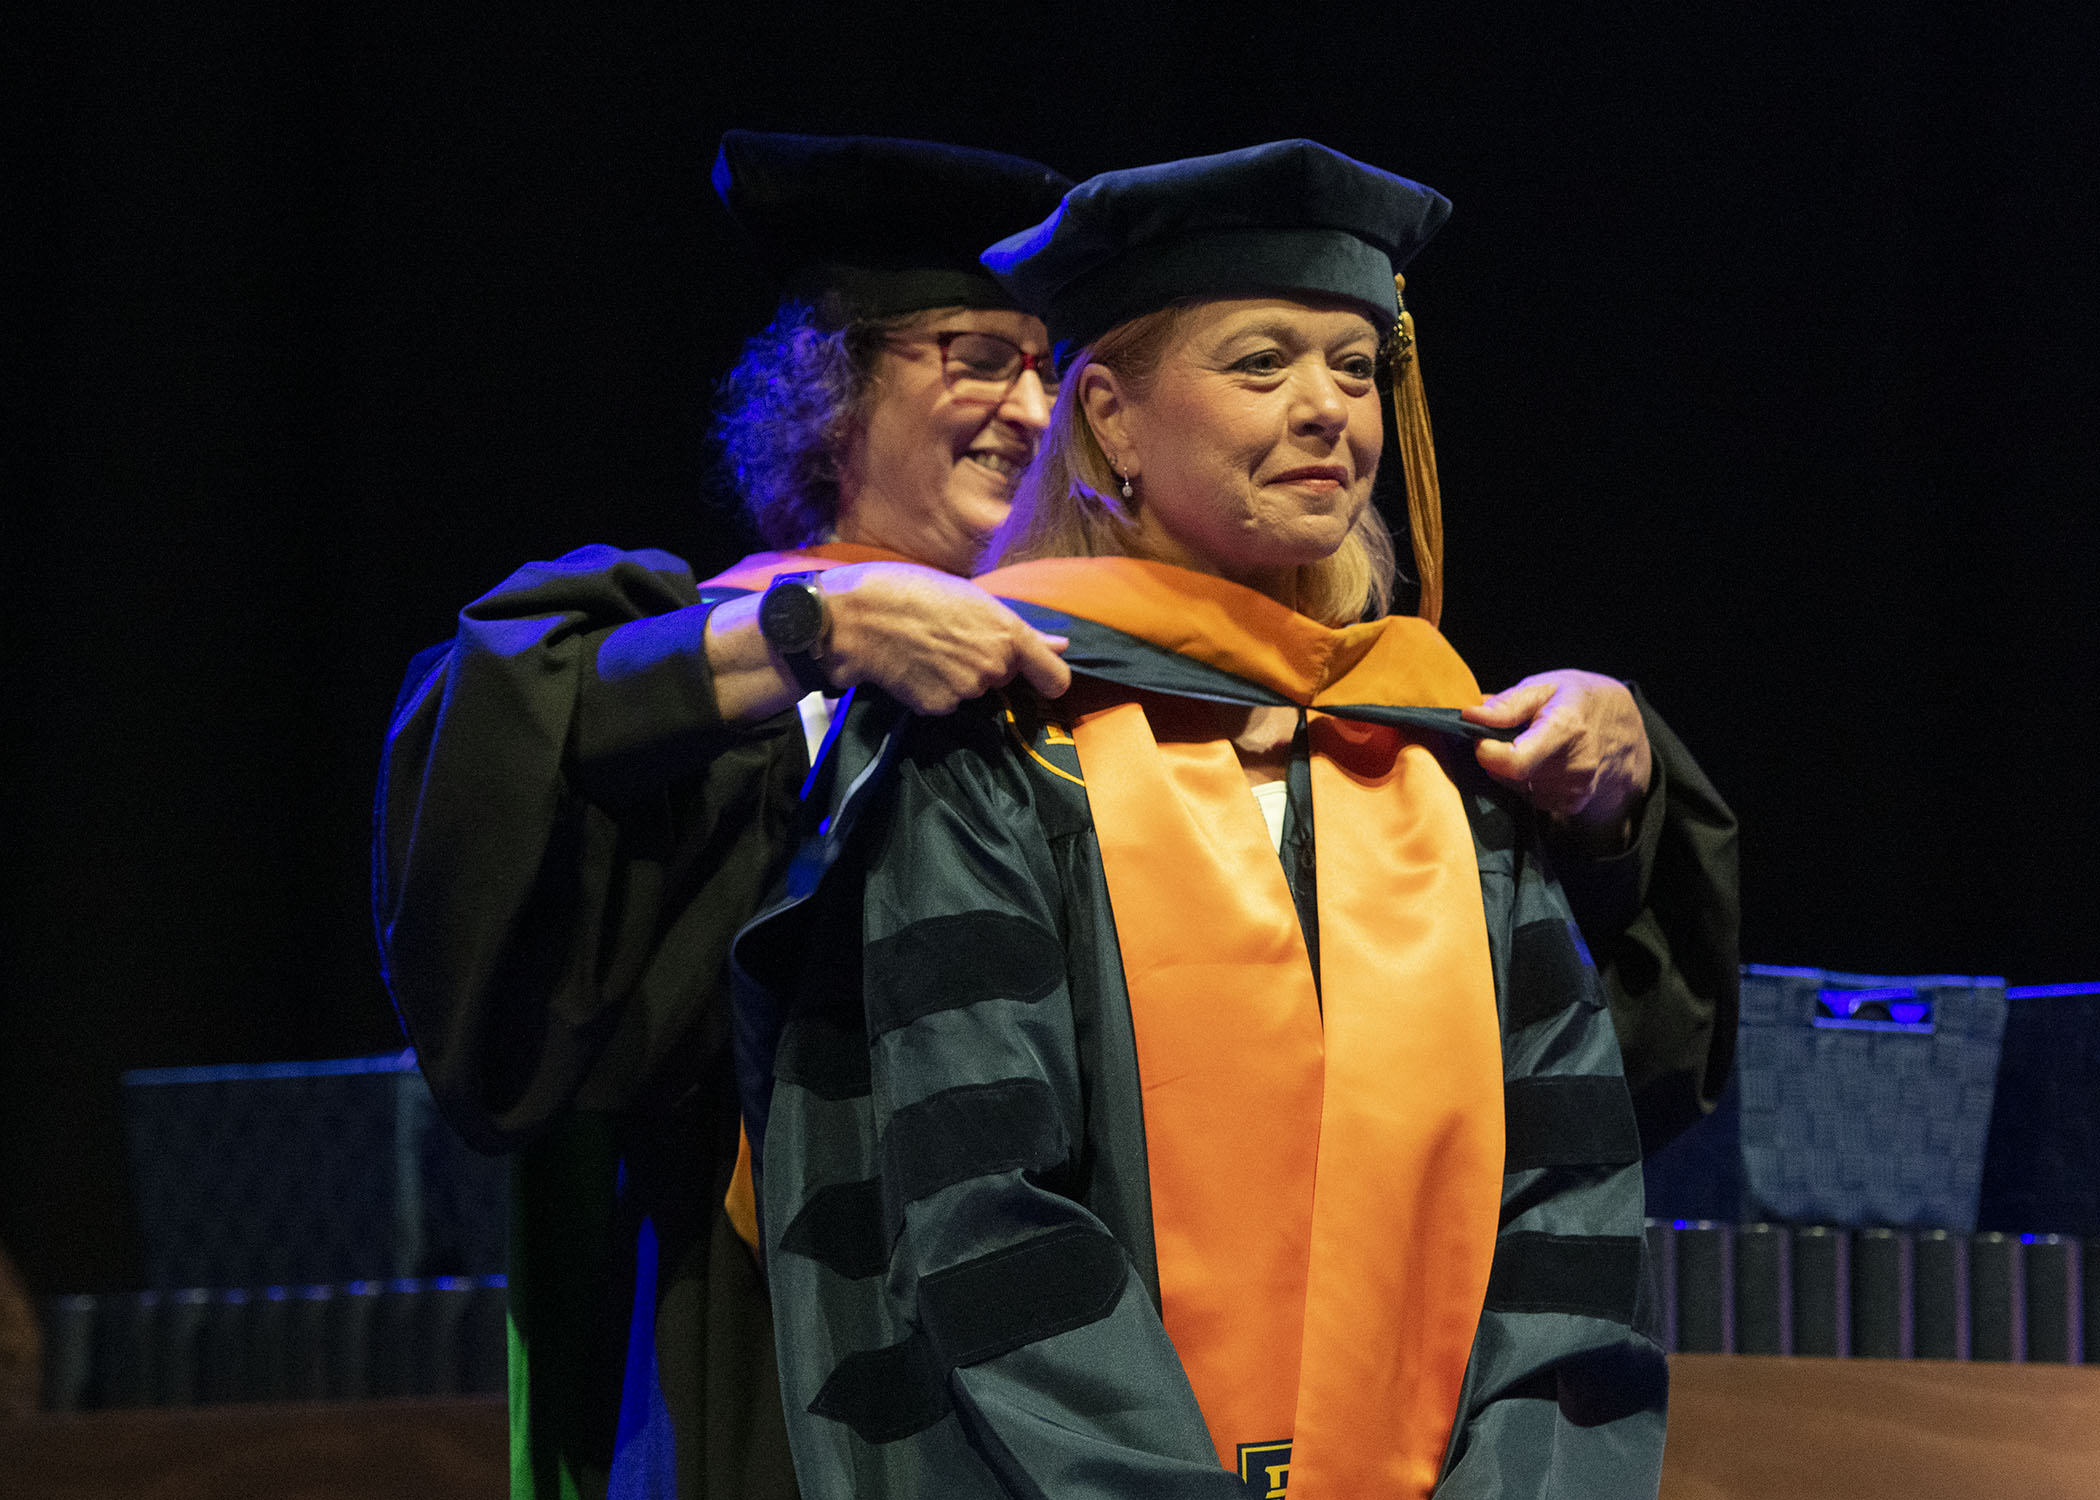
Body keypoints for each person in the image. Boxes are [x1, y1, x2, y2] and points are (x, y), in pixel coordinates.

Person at [736, 140, 1738, 1498]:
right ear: (1111, 421)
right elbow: (982, 1216)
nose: (1330, 408)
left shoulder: (1436, 753)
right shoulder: (994, 754)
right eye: (1263, 363)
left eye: (1355, 365)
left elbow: (1561, 1208)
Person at [374, 132, 1076, 1500]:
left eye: (1052, 368)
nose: (1034, 412)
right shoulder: (732, 653)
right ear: (835, 387)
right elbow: (504, 725)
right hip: (759, 1333)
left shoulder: (1085, 686)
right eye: (978, 355)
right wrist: (814, 632)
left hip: (1053, 1324)